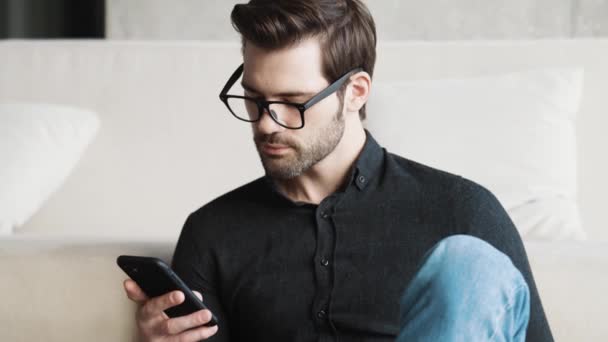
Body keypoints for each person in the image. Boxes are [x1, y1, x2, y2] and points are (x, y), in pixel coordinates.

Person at [123, 0, 554, 341]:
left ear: (355, 92)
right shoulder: (213, 231)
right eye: (253, 99)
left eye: (291, 103)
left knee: (468, 265)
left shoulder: (462, 209)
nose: (265, 123)